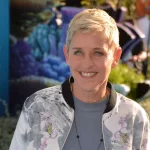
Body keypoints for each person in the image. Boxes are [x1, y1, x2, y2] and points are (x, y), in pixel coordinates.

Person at [9, 8, 150, 150]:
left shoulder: (134, 117)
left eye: (98, 53)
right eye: (78, 52)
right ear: (67, 54)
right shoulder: (36, 107)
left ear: (116, 57)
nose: (87, 63)